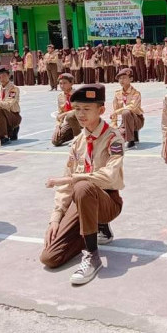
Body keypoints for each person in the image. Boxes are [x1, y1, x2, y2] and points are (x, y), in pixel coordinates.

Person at [40, 83, 124, 285]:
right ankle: (92, 229)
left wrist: (74, 179)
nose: (80, 114)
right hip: (81, 200)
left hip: (107, 201)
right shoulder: (77, 142)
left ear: (101, 110)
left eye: (87, 109)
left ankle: (92, 256)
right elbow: (65, 186)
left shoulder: (113, 138)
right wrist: (56, 217)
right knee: (50, 257)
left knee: (82, 186)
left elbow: (111, 175)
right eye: (77, 109)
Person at [110, 68, 144, 150]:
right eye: (120, 78)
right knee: (113, 136)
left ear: (131, 79)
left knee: (126, 112)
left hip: (137, 120)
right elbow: (115, 108)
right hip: (124, 122)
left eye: (124, 78)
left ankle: (130, 140)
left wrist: (117, 112)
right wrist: (114, 124)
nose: (122, 80)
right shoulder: (117, 94)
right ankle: (133, 133)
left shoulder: (136, 93)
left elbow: (132, 107)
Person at [0, 66, 22, 145]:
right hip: (3, 117)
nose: (1, 79)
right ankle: (11, 130)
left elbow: (8, 105)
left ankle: (4, 136)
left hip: (13, 116)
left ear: (9, 75)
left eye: (3, 76)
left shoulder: (13, 89)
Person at [51, 73, 82, 147]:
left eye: (65, 83)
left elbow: (80, 110)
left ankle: (77, 138)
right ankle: (76, 133)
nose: (62, 86)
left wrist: (64, 114)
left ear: (71, 83)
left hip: (81, 120)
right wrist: (58, 126)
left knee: (70, 115)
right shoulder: (60, 96)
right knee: (55, 141)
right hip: (68, 122)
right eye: (60, 83)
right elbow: (60, 113)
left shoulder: (78, 94)